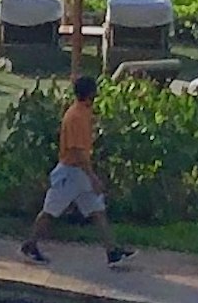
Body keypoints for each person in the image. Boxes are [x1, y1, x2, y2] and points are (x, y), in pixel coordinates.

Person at [21, 70, 130, 267]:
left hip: (78, 173)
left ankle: (112, 250)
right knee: (50, 211)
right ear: (90, 94)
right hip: (71, 173)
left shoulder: (81, 112)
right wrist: (93, 177)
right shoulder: (76, 117)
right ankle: (31, 244)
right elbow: (78, 152)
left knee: (97, 210)